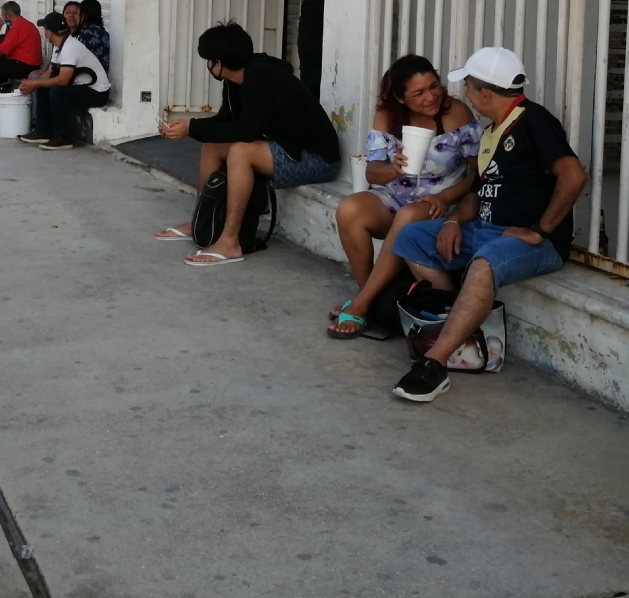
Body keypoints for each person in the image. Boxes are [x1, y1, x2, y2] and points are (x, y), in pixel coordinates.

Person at [388, 46, 586, 403]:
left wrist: (541, 231)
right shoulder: (493, 129)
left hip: (531, 242)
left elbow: (573, 176)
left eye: (468, 85)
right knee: (412, 236)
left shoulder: (534, 120)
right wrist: (452, 220)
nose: (465, 93)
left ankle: (434, 363)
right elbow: (480, 191)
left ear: (484, 92)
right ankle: (456, 323)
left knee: (486, 262)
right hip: (485, 227)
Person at [154, 22, 340, 267]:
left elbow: (246, 130)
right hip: (285, 146)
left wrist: (193, 127)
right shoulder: (236, 81)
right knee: (211, 147)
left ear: (219, 64)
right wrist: (188, 128)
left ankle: (230, 241)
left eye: (209, 60)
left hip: (316, 158)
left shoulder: (263, 77)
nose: (209, 66)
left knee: (241, 151)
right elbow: (225, 122)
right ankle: (202, 221)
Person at [327, 55, 480, 338]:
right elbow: (372, 173)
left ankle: (361, 306)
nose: (431, 97)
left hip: (441, 202)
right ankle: (368, 297)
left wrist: (446, 196)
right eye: (419, 93)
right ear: (399, 97)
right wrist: (393, 169)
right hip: (395, 196)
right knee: (349, 209)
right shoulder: (387, 116)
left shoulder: (455, 113)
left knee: (409, 217)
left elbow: (478, 173)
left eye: (434, 86)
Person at [19, 12, 110, 150]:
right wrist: (35, 85)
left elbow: (63, 80)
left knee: (58, 91)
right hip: (81, 88)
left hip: (97, 93)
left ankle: (63, 137)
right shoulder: (59, 45)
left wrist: (35, 83)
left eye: (44, 30)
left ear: (48, 33)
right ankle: (43, 131)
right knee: (43, 86)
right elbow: (50, 73)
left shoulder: (70, 47)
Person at [76, 0, 111, 65]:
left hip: (89, 74)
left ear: (84, 16)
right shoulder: (103, 32)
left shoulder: (86, 36)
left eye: (77, 13)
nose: (76, 16)